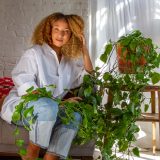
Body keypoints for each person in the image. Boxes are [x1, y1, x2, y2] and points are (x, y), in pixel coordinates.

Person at [0, 12, 93, 160]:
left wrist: (84, 50)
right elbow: (25, 86)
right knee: (48, 107)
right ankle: (32, 152)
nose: (60, 34)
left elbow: (88, 75)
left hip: (52, 110)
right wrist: (59, 103)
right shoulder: (34, 53)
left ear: (72, 35)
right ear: (48, 30)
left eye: (66, 31)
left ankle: (51, 157)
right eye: (56, 29)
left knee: (74, 116)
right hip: (24, 108)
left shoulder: (69, 62)